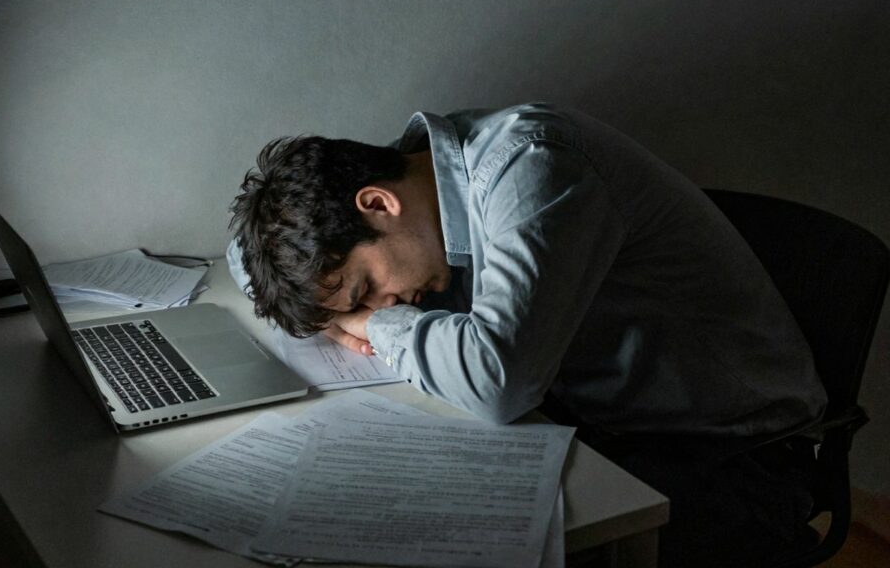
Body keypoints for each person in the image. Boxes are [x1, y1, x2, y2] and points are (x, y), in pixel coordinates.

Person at [227, 103, 827, 567]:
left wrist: (371, 323)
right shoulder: (413, 184)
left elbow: (499, 382)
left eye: (366, 287)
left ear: (379, 203)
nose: (382, 303)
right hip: (600, 424)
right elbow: (239, 255)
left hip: (730, 454)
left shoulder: (536, 164)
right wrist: (331, 309)